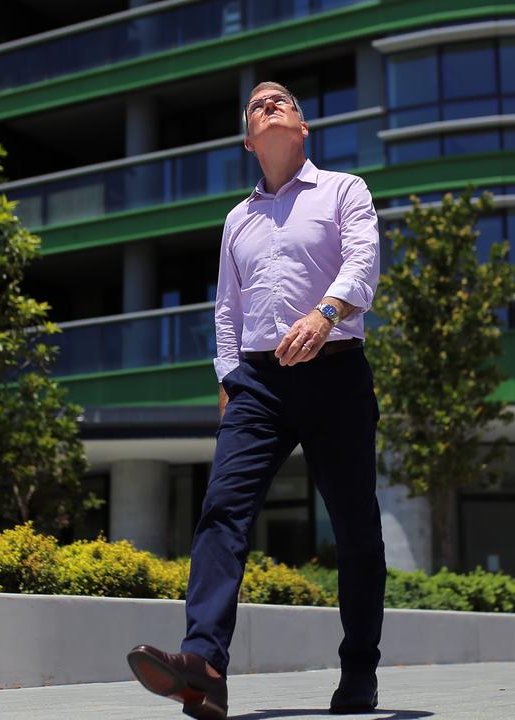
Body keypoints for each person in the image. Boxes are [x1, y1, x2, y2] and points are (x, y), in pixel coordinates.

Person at [126, 81, 386, 720]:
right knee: (221, 512)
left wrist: (325, 316)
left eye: (283, 99)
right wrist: (227, 380)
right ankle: (205, 666)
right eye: (258, 104)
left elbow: (364, 263)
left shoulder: (344, 191)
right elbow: (226, 310)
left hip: (335, 372)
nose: (269, 101)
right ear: (249, 140)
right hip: (258, 385)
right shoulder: (236, 220)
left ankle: (360, 672)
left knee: (355, 528)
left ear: (302, 127)